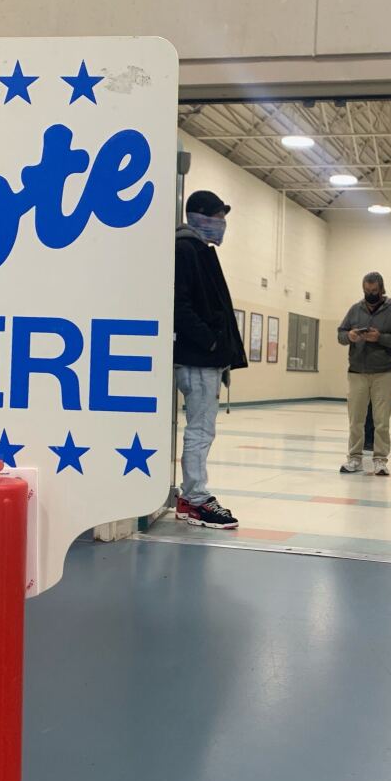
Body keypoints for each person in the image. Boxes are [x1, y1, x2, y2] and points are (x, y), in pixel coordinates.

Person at [172, 190, 247, 528]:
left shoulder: (199, 250)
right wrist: (213, 344)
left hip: (204, 357)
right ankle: (197, 500)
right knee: (200, 431)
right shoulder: (185, 250)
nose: (222, 223)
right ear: (200, 216)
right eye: (217, 216)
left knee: (200, 430)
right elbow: (180, 307)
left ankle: (190, 497)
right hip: (197, 359)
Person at [337, 272, 391, 475]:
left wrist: (380, 338)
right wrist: (349, 336)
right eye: (367, 291)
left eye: (374, 291)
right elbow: (340, 335)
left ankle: (380, 459)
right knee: (356, 419)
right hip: (357, 372)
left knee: (381, 420)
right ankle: (354, 458)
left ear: (381, 289)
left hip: (383, 373)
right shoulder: (355, 309)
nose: (370, 294)